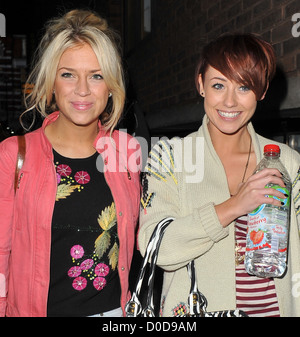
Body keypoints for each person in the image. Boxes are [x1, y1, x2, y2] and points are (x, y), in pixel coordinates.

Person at [138, 33, 300, 317]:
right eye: (218, 85)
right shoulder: (169, 157)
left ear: (262, 93)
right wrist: (233, 206)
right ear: (201, 85)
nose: (229, 101)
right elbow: (157, 247)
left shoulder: (287, 162)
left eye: (244, 87)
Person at [0, 9, 141, 317]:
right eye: (68, 74)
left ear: (110, 87)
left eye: (96, 76)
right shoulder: (13, 155)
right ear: (51, 82)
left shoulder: (127, 151)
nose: (82, 90)